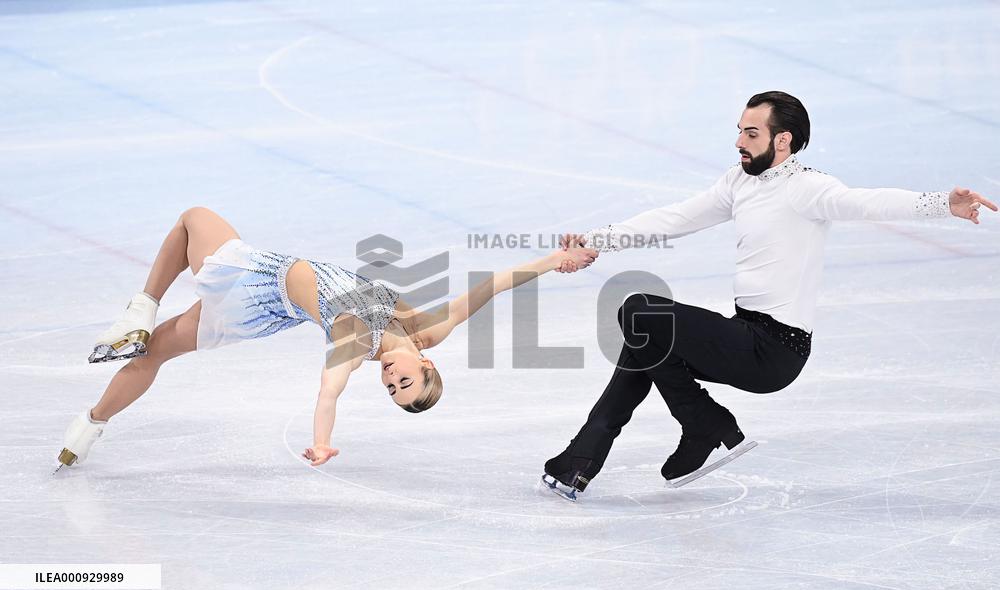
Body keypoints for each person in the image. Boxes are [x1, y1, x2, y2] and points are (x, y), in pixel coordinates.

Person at [542, 90, 996, 500]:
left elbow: (868, 202)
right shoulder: (739, 181)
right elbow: (675, 218)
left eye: (751, 133)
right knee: (645, 339)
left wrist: (944, 204)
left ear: (783, 140)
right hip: (744, 334)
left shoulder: (808, 188)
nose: (739, 141)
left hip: (776, 350)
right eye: (740, 130)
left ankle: (702, 422)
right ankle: (582, 460)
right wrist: (595, 240)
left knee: (640, 312)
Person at [57, 207, 596, 470]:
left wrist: (321, 441)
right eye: (404, 382)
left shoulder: (358, 341)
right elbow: (491, 286)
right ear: (428, 365)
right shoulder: (426, 329)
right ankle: (88, 428)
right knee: (153, 353)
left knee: (193, 219)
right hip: (264, 314)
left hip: (256, 280)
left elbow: (328, 393)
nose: (391, 380)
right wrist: (555, 260)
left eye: (391, 390)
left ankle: (141, 306)